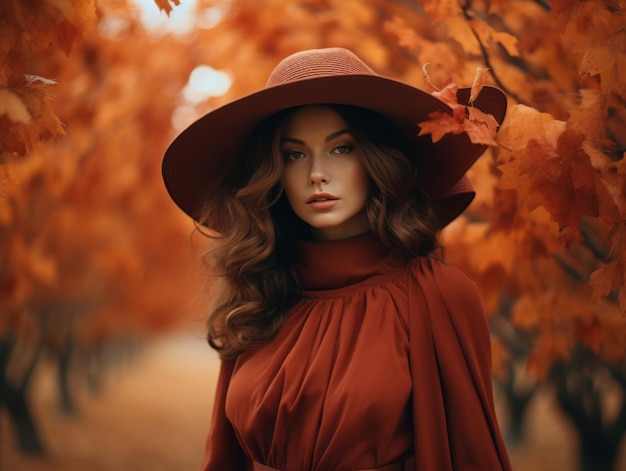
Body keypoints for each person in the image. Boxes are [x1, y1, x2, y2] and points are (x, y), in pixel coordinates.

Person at [162, 48, 512, 471]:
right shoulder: (258, 297)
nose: (316, 173)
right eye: (294, 154)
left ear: (377, 161)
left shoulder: (440, 296)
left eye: (341, 149)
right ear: (274, 173)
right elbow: (224, 458)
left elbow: (474, 455)